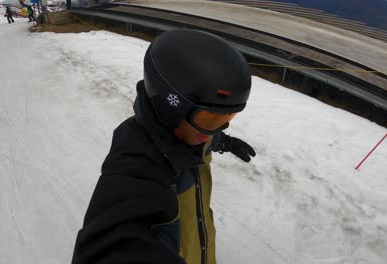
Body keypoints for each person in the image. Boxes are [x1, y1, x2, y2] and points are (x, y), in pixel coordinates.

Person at [71, 29, 256, 264]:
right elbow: (112, 240)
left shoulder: (191, 132)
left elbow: (204, 136)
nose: (214, 130)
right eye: (210, 119)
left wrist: (225, 142)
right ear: (171, 105)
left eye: (226, 119)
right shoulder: (136, 158)